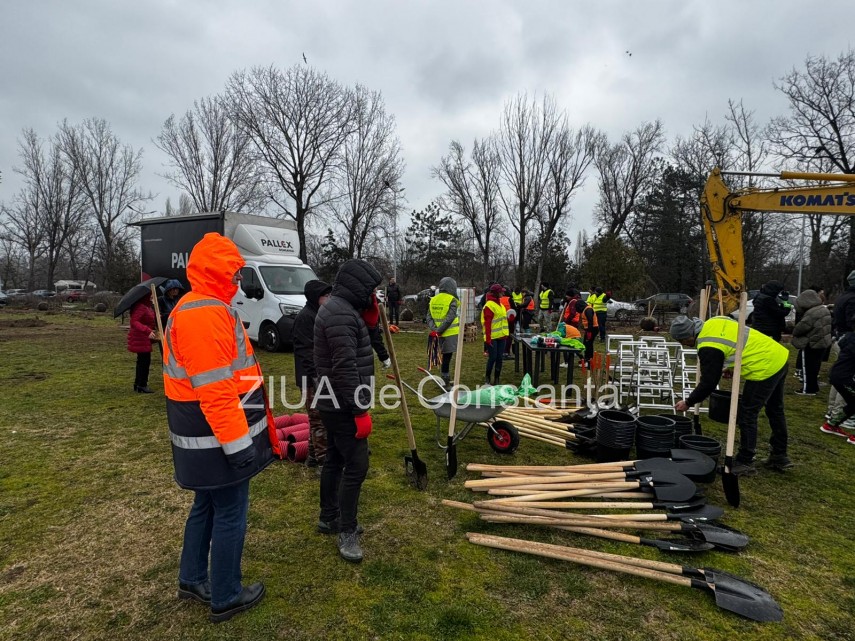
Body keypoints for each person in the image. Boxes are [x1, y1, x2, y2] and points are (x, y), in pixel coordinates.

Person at [162, 232, 275, 622]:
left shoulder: (200, 307)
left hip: (204, 436)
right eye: (236, 272)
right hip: (214, 437)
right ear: (221, 271)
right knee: (230, 511)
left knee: (206, 504)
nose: (239, 280)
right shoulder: (204, 313)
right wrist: (239, 446)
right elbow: (216, 392)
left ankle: (192, 577)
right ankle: (226, 594)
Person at [313, 258, 382, 563]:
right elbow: (344, 367)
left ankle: (329, 516)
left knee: (335, 459)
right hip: (342, 403)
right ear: (358, 286)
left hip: (333, 400)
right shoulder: (340, 313)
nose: (373, 295)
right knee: (357, 465)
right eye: (371, 289)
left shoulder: (340, 308)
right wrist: (359, 409)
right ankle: (346, 530)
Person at [670, 314, 793, 474]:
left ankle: (745, 460)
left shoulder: (708, 345)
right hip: (777, 355)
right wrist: (733, 367)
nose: (684, 345)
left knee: (747, 413)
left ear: (688, 335)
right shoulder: (713, 322)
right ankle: (780, 455)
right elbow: (738, 343)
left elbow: (708, 383)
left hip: (764, 367)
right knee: (775, 409)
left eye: (682, 341)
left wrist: (689, 402)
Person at [293, 279, 333, 469]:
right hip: (310, 377)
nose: (329, 298)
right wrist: (317, 378)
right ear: (315, 297)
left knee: (316, 417)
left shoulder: (320, 315)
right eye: (326, 295)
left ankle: (311, 456)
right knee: (319, 418)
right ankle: (323, 463)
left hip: (318, 374)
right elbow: (306, 352)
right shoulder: (306, 317)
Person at [791, 289, 832, 396]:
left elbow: (800, 328)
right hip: (822, 342)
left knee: (808, 367)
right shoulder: (823, 310)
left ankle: (807, 389)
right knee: (815, 366)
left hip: (811, 343)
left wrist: (793, 329)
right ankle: (814, 387)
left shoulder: (811, 313)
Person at [427, 277, 460, 387]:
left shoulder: (433, 299)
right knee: (447, 357)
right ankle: (445, 380)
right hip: (449, 333)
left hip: (437, 334)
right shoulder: (452, 300)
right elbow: (450, 318)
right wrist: (440, 331)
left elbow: (429, 317)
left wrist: (435, 330)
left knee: (441, 357)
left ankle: (444, 378)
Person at [128, 293, 157, 394]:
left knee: (142, 361)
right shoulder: (141, 307)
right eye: (151, 296)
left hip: (144, 337)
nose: (152, 297)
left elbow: (148, 319)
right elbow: (134, 321)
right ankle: (142, 385)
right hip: (141, 337)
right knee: (144, 361)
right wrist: (147, 330)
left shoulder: (147, 307)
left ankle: (138, 384)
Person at [482, 283, 509, 385]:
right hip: (492, 337)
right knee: (492, 358)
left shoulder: (500, 304)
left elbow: (502, 319)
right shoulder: (489, 306)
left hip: (502, 336)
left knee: (499, 358)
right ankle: (488, 377)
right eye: (501, 291)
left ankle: (497, 378)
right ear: (496, 293)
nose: (503, 293)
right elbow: (487, 324)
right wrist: (488, 339)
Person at [576, 298, 598, 367]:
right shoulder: (585, 309)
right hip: (589, 329)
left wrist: (589, 332)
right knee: (586, 343)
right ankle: (586, 358)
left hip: (592, 329)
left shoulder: (588, 309)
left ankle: (589, 360)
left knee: (589, 344)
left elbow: (590, 321)